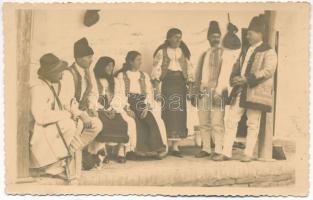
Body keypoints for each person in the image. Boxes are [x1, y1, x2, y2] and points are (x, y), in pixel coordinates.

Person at [213, 15, 277, 162]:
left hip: (255, 92)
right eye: (247, 33)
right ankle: (226, 152)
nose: (247, 36)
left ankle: (248, 153)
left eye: (250, 33)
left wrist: (247, 79)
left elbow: (268, 70)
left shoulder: (269, 51)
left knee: (253, 123)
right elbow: (237, 66)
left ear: (260, 33)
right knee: (231, 120)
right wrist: (234, 77)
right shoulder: (246, 50)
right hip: (240, 91)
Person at [30, 53, 101, 181]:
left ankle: (71, 149)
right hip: (42, 130)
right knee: (69, 124)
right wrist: (67, 115)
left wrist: (80, 114)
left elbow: (68, 103)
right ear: (50, 72)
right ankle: (53, 167)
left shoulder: (56, 83)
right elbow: (40, 117)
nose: (61, 74)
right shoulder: (38, 88)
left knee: (93, 124)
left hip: (55, 126)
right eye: (58, 71)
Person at [84, 56, 137, 167]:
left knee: (128, 121)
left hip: (115, 107)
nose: (110, 68)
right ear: (101, 66)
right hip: (99, 108)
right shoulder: (93, 80)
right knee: (100, 122)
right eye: (107, 65)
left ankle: (121, 152)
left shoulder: (116, 81)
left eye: (112, 66)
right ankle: (102, 152)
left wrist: (114, 108)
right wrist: (104, 108)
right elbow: (91, 96)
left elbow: (120, 96)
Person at [59, 37, 103, 169]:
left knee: (97, 124)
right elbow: (67, 101)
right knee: (77, 126)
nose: (91, 60)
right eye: (88, 57)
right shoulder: (68, 73)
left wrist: (91, 106)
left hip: (83, 109)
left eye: (92, 56)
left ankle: (72, 151)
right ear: (78, 59)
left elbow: (93, 92)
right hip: (68, 112)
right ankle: (70, 157)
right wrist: (81, 114)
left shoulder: (89, 72)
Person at [116, 51, 167, 159]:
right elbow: (120, 93)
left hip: (142, 103)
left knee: (149, 118)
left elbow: (149, 92)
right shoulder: (122, 75)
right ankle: (140, 150)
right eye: (138, 60)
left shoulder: (144, 76)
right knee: (136, 120)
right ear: (131, 61)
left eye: (141, 59)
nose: (141, 62)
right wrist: (127, 108)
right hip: (128, 101)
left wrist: (147, 107)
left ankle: (155, 148)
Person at [151, 28, 194, 157]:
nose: (178, 40)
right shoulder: (161, 52)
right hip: (167, 85)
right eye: (175, 37)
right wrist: (157, 91)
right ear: (169, 38)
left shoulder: (183, 52)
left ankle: (175, 147)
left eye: (180, 37)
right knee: (168, 113)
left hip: (180, 85)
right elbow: (156, 72)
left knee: (179, 114)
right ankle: (167, 145)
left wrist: (190, 90)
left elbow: (190, 72)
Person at [193, 21, 228, 159]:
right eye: (213, 36)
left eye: (217, 36)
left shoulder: (225, 54)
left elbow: (225, 75)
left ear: (220, 38)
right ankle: (206, 148)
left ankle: (219, 149)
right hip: (203, 91)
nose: (215, 39)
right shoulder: (204, 54)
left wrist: (220, 91)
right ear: (208, 38)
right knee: (203, 122)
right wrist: (195, 92)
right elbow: (198, 74)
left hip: (217, 91)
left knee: (217, 122)